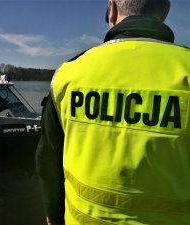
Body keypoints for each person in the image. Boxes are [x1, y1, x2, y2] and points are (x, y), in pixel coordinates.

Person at [35, 0, 190, 224]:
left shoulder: (69, 73)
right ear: (164, 12)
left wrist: (52, 215)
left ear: (112, 9)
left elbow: (47, 158)